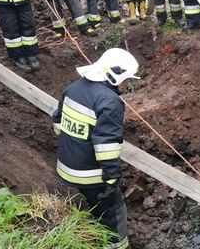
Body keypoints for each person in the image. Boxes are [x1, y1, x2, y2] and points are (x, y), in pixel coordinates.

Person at [52, 48, 140, 249]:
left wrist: (76, 145)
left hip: (66, 165)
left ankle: (109, 230)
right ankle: (117, 244)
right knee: (114, 207)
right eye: (125, 79)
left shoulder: (73, 88)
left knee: (97, 204)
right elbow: (106, 146)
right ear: (113, 74)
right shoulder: (110, 101)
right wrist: (111, 179)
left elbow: (57, 123)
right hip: (89, 173)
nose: (125, 84)